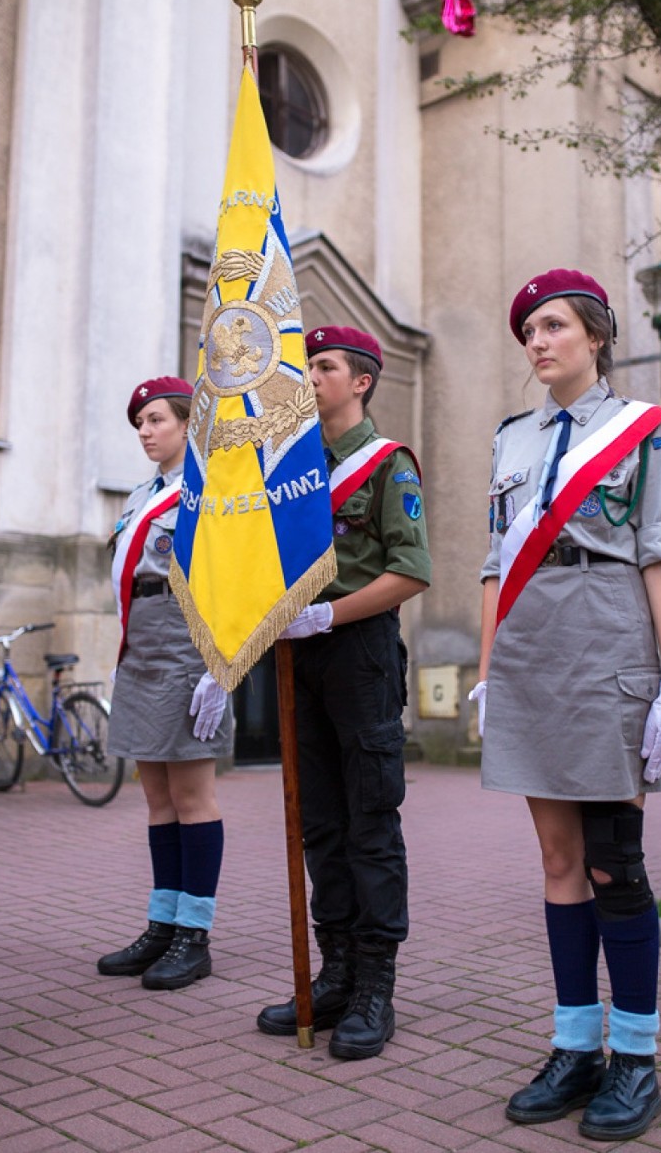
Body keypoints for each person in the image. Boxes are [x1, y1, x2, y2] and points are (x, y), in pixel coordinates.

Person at [471, 270, 661, 1141]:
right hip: (529, 646)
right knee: (559, 860)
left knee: (613, 861)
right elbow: (496, 561)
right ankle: (576, 1047)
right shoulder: (512, 439)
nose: (538, 340)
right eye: (528, 328)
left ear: (595, 336)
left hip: (608, 635)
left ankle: (636, 1059)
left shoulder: (645, 433)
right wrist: (489, 667)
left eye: (554, 324)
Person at [256, 325, 431, 1059]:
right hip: (299, 658)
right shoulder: (292, 470)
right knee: (318, 822)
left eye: (322, 366)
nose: (310, 377)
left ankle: (375, 985)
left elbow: (412, 570)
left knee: (368, 819)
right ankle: (335, 972)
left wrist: (328, 611)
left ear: (359, 381)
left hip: (358, 653)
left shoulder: (388, 466)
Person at [98, 376, 233, 991]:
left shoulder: (212, 491)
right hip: (143, 643)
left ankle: (194, 935)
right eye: (140, 424)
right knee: (156, 798)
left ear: (186, 423)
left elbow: (230, 583)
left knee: (191, 796)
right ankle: (162, 922)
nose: (146, 432)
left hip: (187, 640)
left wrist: (219, 665)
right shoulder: (139, 496)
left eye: (156, 420)